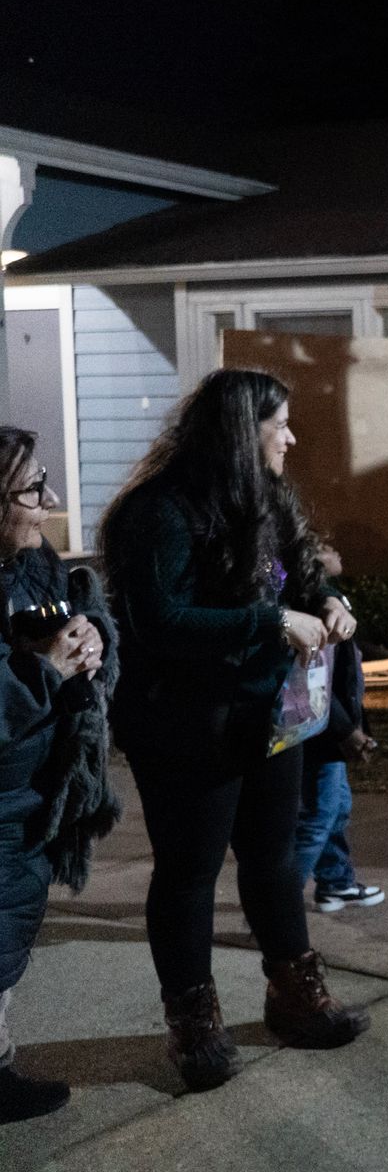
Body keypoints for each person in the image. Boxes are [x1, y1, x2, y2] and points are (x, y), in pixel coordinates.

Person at [98, 369, 370, 1091]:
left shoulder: (263, 496)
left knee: (273, 858)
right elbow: (160, 620)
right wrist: (272, 621)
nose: (292, 438)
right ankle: (193, 1027)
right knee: (189, 873)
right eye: (279, 425)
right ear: (240, 434)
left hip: (265, 714)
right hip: (185, 722)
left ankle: (295, 998)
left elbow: (298, 573)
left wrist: (329, 600)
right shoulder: (160, 512)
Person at [0, 429, 117, 1124]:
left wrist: (88, 637)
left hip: (30, 791)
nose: (49, 502)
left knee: (11, 928)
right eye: (31, 490)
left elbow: (61, 625)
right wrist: (46, 672)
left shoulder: (33, 563)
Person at [294, 544, 383, 913]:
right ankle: (276, 908)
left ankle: (336, 882)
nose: (337, 549)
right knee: (317, 817)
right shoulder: (311, 604)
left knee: (337, 807)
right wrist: (348, 731)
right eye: (326, 545)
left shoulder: (326, 597)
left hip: (329, 729)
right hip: (321, 732)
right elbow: (316, 680)